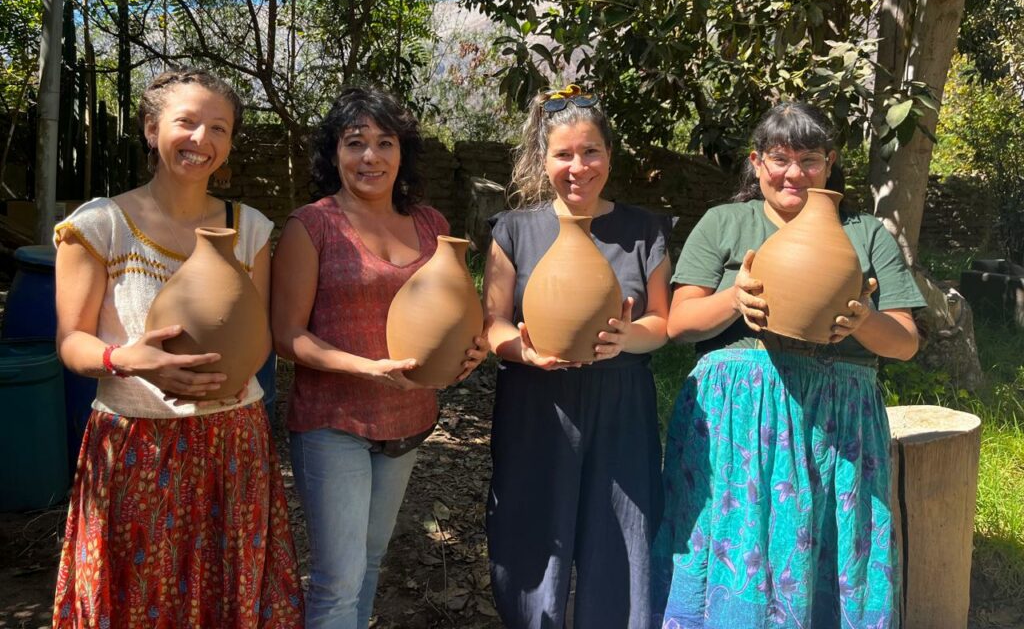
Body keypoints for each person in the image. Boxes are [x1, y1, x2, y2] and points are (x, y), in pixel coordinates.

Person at [654, 101, 925, 628]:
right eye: (780, 158)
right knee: (733, 541)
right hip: (736, 416)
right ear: (757, 163)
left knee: (832, 543)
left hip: (837, 419)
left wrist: (863, 322)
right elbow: (678, 324)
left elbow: (906, 342)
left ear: (830, 164)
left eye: (810, 159)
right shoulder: (723, 223)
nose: (794, 173)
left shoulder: (867, 233)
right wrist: (733, 300)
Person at [51, 69, 303, 628]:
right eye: (186, 122)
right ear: (150, 128)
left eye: (219, 128)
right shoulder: (98, 225)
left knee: (223, 597)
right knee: (141, 599)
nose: (201, 140)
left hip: (233, 440)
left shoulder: (251, 228)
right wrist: (126, 359)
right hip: (135, 441)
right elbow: (71, 343)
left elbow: (259, 335)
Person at [271, 86, 489, 629]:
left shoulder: (431, 225)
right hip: (333, 421)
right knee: (338, 580)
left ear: (402, 153)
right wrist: (365, 367)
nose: (371, 156)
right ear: (334, 154)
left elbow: (460, 312)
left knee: (370, 562)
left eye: (384, 142)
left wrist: (476, 346)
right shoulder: (312, 225)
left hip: (407, 418)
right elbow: (285, 335)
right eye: (355, 142)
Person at [482, 84, 671, 628]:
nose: (578, 167)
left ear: (609, 155)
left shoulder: (643, 230)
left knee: (622, 539)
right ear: (543, 160)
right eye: (563, 154)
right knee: (531, 536)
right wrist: (525, 351)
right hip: (536, 402)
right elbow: (491, 322)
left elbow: (661, 323)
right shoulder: (514, 229)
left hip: (622, 404)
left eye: (590, 152)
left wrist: (624, 339)